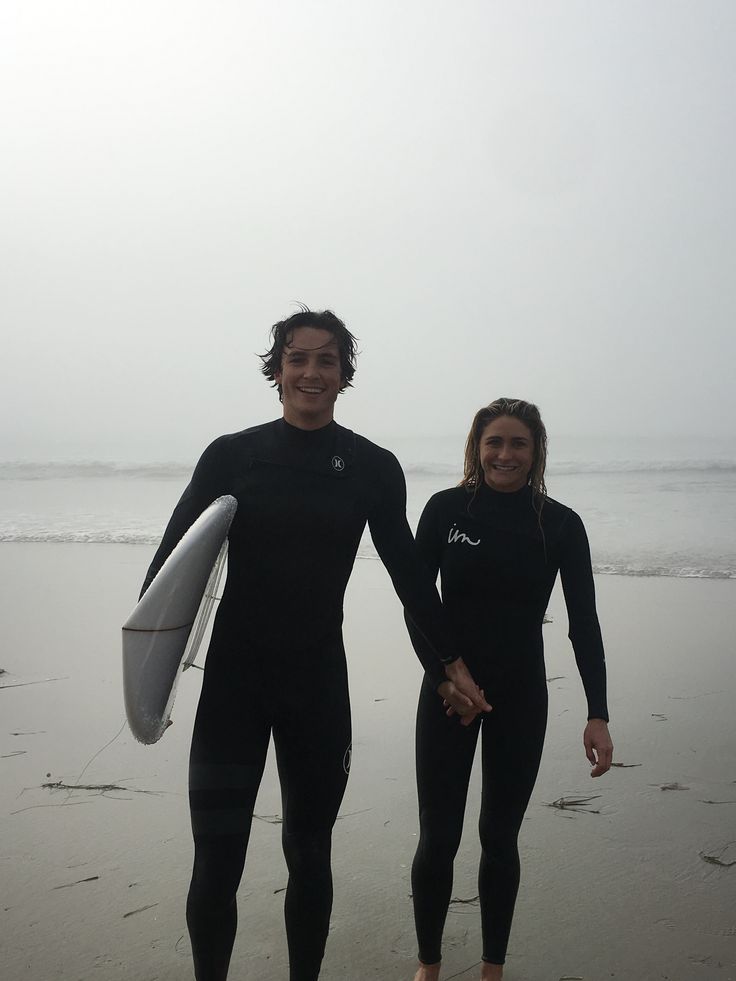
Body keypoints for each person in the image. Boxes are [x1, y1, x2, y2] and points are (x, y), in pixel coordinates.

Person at [140, 307, 490, 981]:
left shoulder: (371, 468)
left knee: (310, 850)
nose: (310, 371)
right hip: (233, 689)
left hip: (317, 690)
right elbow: (167, 570)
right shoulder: (231, 455)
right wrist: (148, 674)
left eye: (326, 360)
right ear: (277, 370)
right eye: (297, 358)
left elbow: (410, 576)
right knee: (216, 860)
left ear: (343, 374)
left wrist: (448, 661)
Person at [407, 397, 613, 981]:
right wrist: (444, 675)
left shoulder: (560, 524)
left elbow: (585, 625)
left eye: (517, 443)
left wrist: (597, 713)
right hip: (447, 694)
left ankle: (492, 969)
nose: (504, 454)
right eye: (493, 442)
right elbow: (417, 604)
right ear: (476, 447)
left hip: (521, 696)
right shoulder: (446, 510)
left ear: (536, 451)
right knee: (438, 837)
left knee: (500, 836)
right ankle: (429, 965)